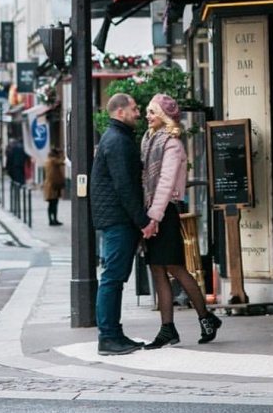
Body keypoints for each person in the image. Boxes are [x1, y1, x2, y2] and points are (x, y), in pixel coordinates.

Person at [140, 93, 222, 348]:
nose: (147, 116)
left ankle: (206, 317)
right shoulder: (148, 140)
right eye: (147, 111)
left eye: (152, 112)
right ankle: (167, 329)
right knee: (157, 269)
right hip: (152, 211)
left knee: (175, 267)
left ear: (163, 116)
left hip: (165, 212)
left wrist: (154, 217)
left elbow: (165, 184)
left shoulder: (172, 144)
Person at [90, 92, 152, 356]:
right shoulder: (118, 141)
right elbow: (125, 186)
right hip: (118, 219)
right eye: (134, 109)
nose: (138, 113)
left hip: (116, 218)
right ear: (119, 112)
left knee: (114, 279)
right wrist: (142, 221)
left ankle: (114, 333)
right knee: (113, 279)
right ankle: (108, 337)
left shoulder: (116, 137)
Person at [43, 146, 66, 225]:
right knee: (54, 203)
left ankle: (52, 220)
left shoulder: (48, 161)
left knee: (52, 204)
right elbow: (63, 161)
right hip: (53, 186)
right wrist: (62, 154)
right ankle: (53, 220)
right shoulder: (53, 161)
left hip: (50, 185)